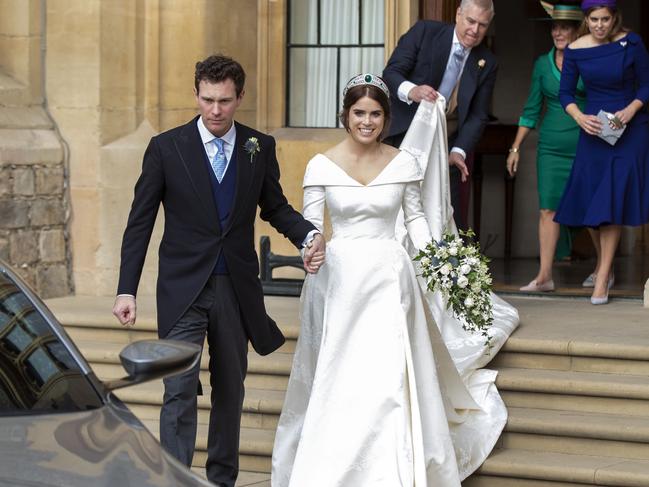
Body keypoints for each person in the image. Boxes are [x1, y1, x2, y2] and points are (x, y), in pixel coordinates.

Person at [271, 74, 519, 486]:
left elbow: (415, 218)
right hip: (341, 281)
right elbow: (311, 227)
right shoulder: (321, 165)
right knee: (342, 374)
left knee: (387, 376)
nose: (366, 121)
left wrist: (440, 260)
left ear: (386, 119)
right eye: (359, 113)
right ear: (345, 116)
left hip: (390, 276)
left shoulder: (404, 162)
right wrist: (309, 251)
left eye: (375, 114)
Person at [112, 54, 325, 487]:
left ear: (239, 97)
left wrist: (307, 236)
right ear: (196, 94)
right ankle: (174, 479)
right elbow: (140, 221)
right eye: (207, 100)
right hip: (182, 289)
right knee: (178, 388)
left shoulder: (258, 146)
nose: (214, 110)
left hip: (235, 287)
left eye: (224, 101)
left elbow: (275, 207)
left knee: (231, 389)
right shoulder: (166, 148)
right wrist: (126, 289)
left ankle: (222, 480)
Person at [555, 0, 649, 304]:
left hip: (629, 127)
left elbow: (647, 85)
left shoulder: (631, 42)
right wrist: (579, 117)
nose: (599, 25)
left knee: (611, 199)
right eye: (594, 19)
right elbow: (565, 93)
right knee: (590, 203)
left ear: (614, 18)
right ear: (586, 19)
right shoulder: (576, 48)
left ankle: (602, 279)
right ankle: (603, 267)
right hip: (595, 128)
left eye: (605, 19)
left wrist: (631, 110)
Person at [383, 0, 497, 230]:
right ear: (458, 15)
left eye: (482, 25)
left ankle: (443, 265)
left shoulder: (488, 61)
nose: (475, 30)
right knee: (392, 209)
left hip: (447, 146)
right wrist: (412, 91)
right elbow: (391, 72)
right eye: (471, 21)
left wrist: (458, 151)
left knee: (445, 214)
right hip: (403, 136)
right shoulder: (425, 31)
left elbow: (478, 114)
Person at [506, 2, 586, 292]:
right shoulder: (542, 64)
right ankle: (545, 276)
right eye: (554, 26)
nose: (558, 32)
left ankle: (605, 270)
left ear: (579, 30)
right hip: (550, 148)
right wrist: (515, 148)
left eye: (565, 27)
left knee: (590, 209)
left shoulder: (591, 60)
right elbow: (530, 110)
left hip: (586, 145)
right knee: (547, 209)